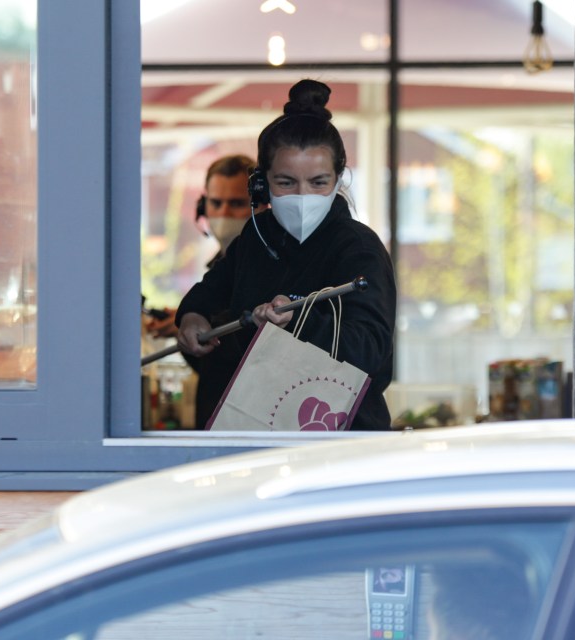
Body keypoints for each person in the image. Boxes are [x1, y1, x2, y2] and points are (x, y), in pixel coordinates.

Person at [174, 79, 396, 430]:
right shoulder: (255, 236)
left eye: (319, 182)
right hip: (251, 433)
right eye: (286, 182)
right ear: (261, 184)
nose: (303, 195)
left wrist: (297, 319)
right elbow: (206, 293)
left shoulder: (359, 247)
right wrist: (191, 317)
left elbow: (370, 350)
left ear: (340, 180)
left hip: (337, 439)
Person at [145, 154, 257, 339]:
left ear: (262, 204)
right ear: (203, 207)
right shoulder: (219, 268)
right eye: (216, 203)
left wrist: (209, 328)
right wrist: (190, 317)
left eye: (237, 203)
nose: (224, 213)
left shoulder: (273, 265)